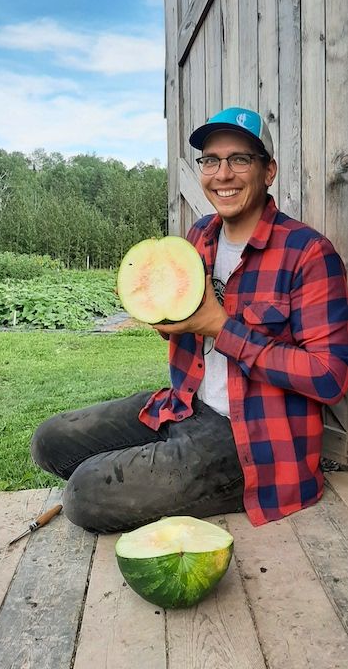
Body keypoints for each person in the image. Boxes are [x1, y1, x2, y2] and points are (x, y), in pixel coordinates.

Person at [31, 106, 348, 531]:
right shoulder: (200, 236)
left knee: (84, 495)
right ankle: (158, 475)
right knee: (49, 441)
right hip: (185, 405)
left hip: (250, 438)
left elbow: (328, 376)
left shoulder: (308, 253)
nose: (223, 174)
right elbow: (188, 328)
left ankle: (209, 485)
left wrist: (222, 328)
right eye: (211, 160)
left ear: (268, 170)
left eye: (240, 159)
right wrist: (157, 310)